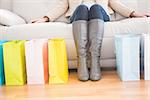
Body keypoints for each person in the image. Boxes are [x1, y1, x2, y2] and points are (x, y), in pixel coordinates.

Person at [32, 0, 150, 81]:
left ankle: (95, 62)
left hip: (99, 14)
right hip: (78, 15)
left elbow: (115, 3)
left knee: (96, 7)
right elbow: (61, 6)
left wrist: (134, 14)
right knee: (82, 8)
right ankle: (81, 61)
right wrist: (45, 18)